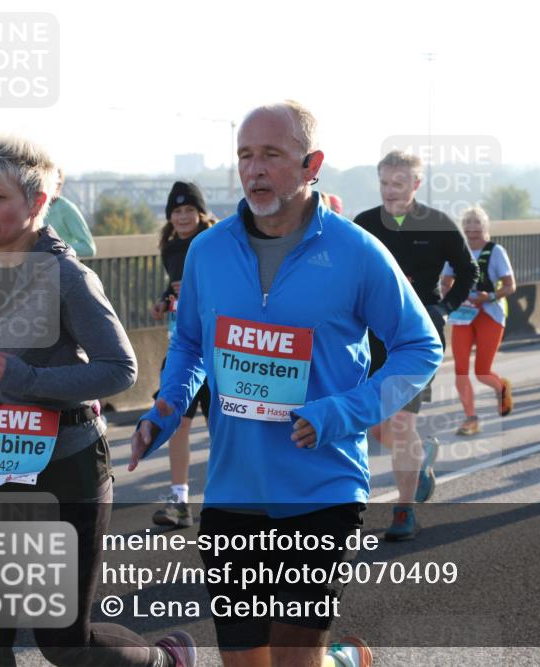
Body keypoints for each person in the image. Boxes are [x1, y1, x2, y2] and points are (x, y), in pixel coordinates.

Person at [129, 101, 439, 667]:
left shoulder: (356, 251)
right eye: (246, 155)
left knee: (295, 660)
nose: (255, 169)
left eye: (272, 154)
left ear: (311, 164)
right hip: (233, 488)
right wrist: (167, 405)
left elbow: (421, 347)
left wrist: (341, 414)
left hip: (322, 488)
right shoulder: (207, 250)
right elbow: (190, 343)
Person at [0, 136, 195, 667]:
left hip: (68, 465)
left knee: (62, 642)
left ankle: (163, 661)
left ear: (38, 204)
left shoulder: (68, 276)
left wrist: (28, 376)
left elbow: (122, 369)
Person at [355, 150, 477, 540]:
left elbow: (468, 270)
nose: (391, 192)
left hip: (417, 340)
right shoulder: (364, 225)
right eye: (385, 183)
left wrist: (445, 307)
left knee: (402, 420)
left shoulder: (438, 225)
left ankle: (404, 511)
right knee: (376, 428)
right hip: (372, 338)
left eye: (399, 184)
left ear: (416, 185)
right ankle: (420, 458)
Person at [147, 181, 215, 528]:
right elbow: (173, 285)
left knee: (222, 426)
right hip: (182, 349)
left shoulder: (216, 244)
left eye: (189, 210)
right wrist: (164, 301)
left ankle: (227, 500)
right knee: (177, 423)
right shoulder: (171, 249)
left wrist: (191, 292)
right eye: (177, 212)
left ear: (202, 214)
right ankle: (179, 500)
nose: (183, 216)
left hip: (217, 350)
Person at [439, 204, 516, 436]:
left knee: (482, 372)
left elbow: (510, 285)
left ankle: (501, 386)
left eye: (476, 224)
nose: (472, 229)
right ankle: (470, 418)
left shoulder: (495, 251)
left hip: (489, 314)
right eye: (467, 224)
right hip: (463, 315)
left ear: (485, 227)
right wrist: (452, 297)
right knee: (460, 369)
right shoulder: (456, 250)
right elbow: (445, 281)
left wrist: (489, 296)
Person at [43, 167, 96, 257]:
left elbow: (89, 248)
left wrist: (57, 248)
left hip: (61, 269)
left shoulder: (66, 208)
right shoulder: (33, 209)